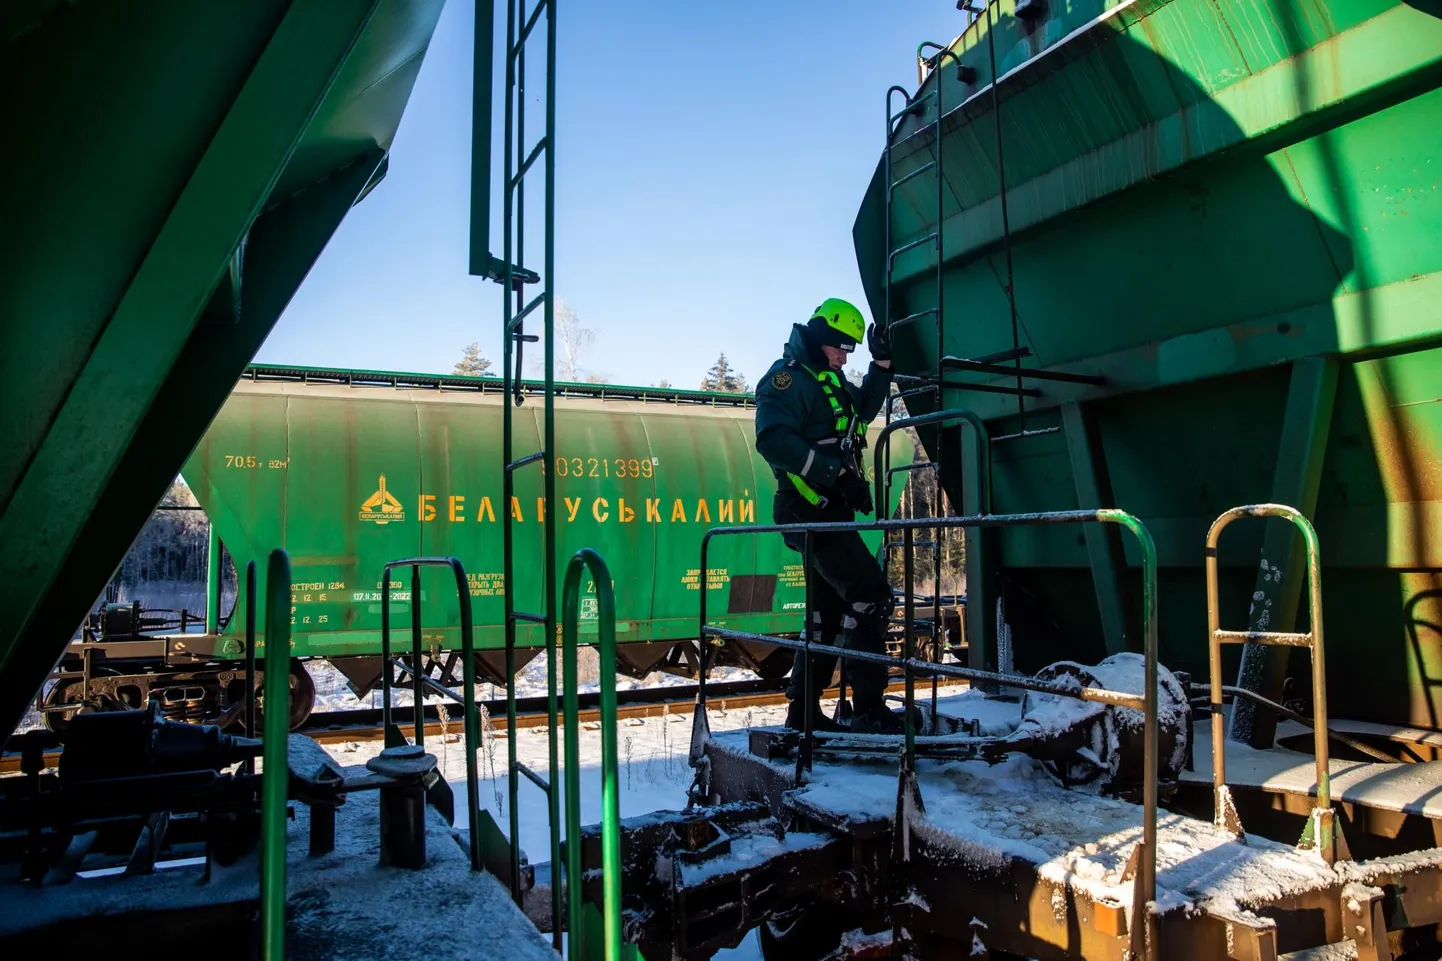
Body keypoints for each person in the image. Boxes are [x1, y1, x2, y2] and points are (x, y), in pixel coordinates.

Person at [754, 297, 903, 735]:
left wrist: (882, 363)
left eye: (852, 350)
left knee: (828, 610)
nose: (845, 355)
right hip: (807, 509)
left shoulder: (829, 379)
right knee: (870, 594)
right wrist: (836, 475)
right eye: (842, 346)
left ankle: (802, 713)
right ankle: (868, 708)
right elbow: (773, 439)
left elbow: (863, 410)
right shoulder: (786, 380)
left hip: (828, 511)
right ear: (821, 338)